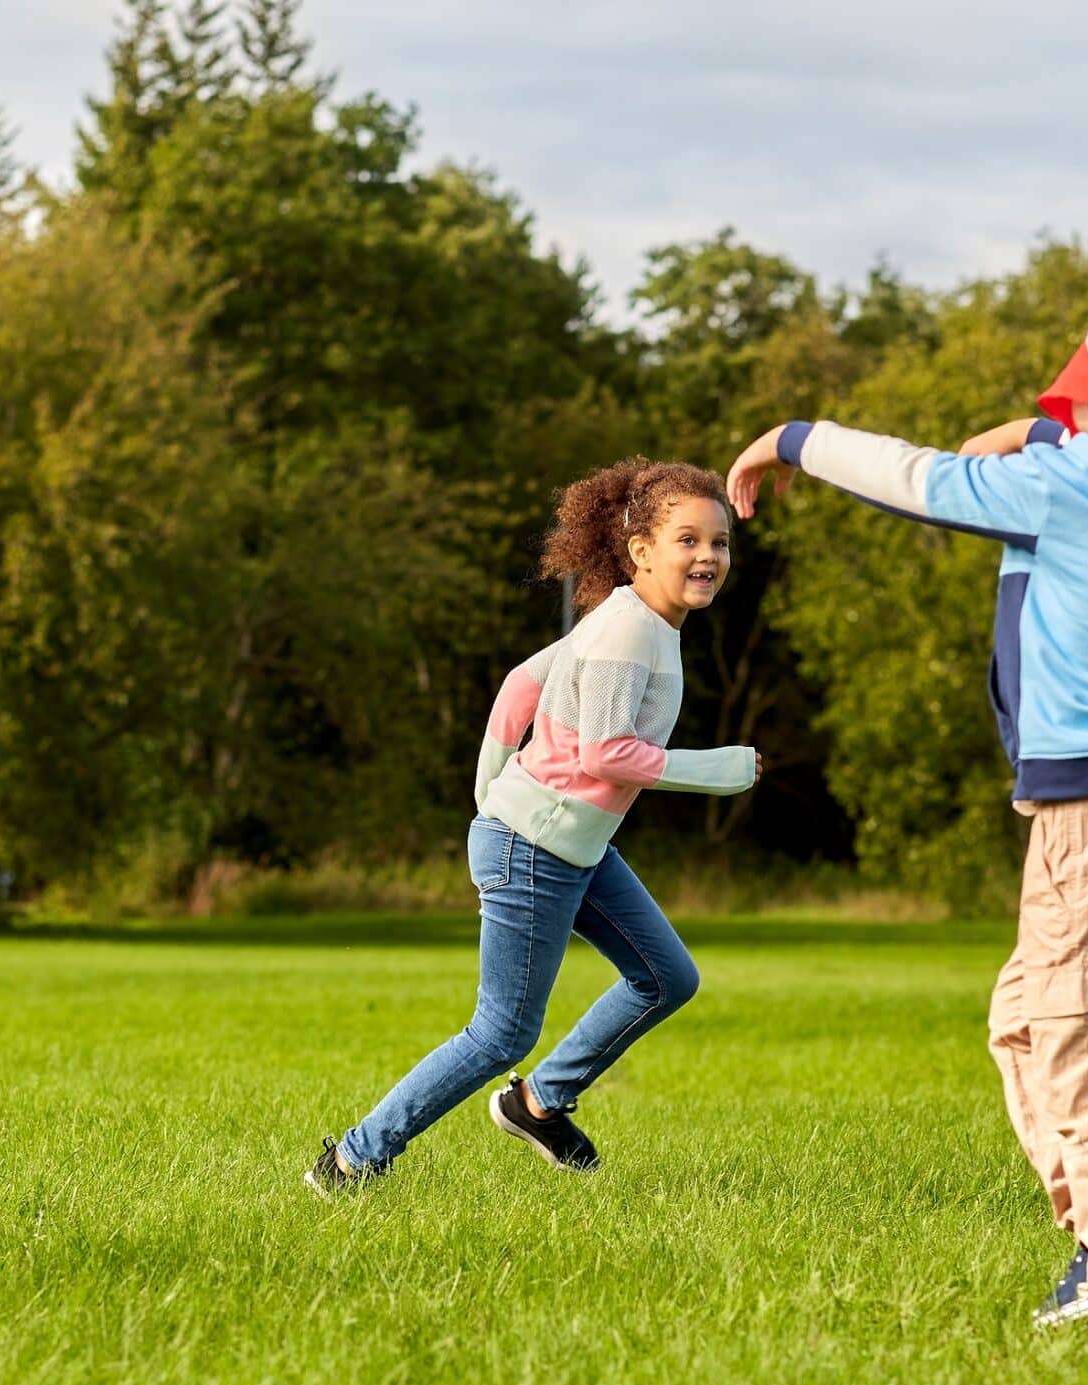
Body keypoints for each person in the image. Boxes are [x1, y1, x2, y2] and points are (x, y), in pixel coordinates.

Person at [727, 280, 1088, 1328]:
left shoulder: (1071, 487)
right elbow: (1053, 440)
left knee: (1085, 1055)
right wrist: (1053, 425)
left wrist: (792, 436)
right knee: (1025, 1024)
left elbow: (924, 475)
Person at [307, 458, 759, 1193]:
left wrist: (491, 793)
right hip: (538, 845)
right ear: (642, 550)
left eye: (720, 543)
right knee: (501, 1032)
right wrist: (718, 768)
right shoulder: (628, 633)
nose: (708, 557)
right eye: (688, 540)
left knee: (665, 976)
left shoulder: (636, 620)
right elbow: (606, 752)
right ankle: (352, 1159)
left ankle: (539, 1103)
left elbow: (524, 681)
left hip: (568, 843)